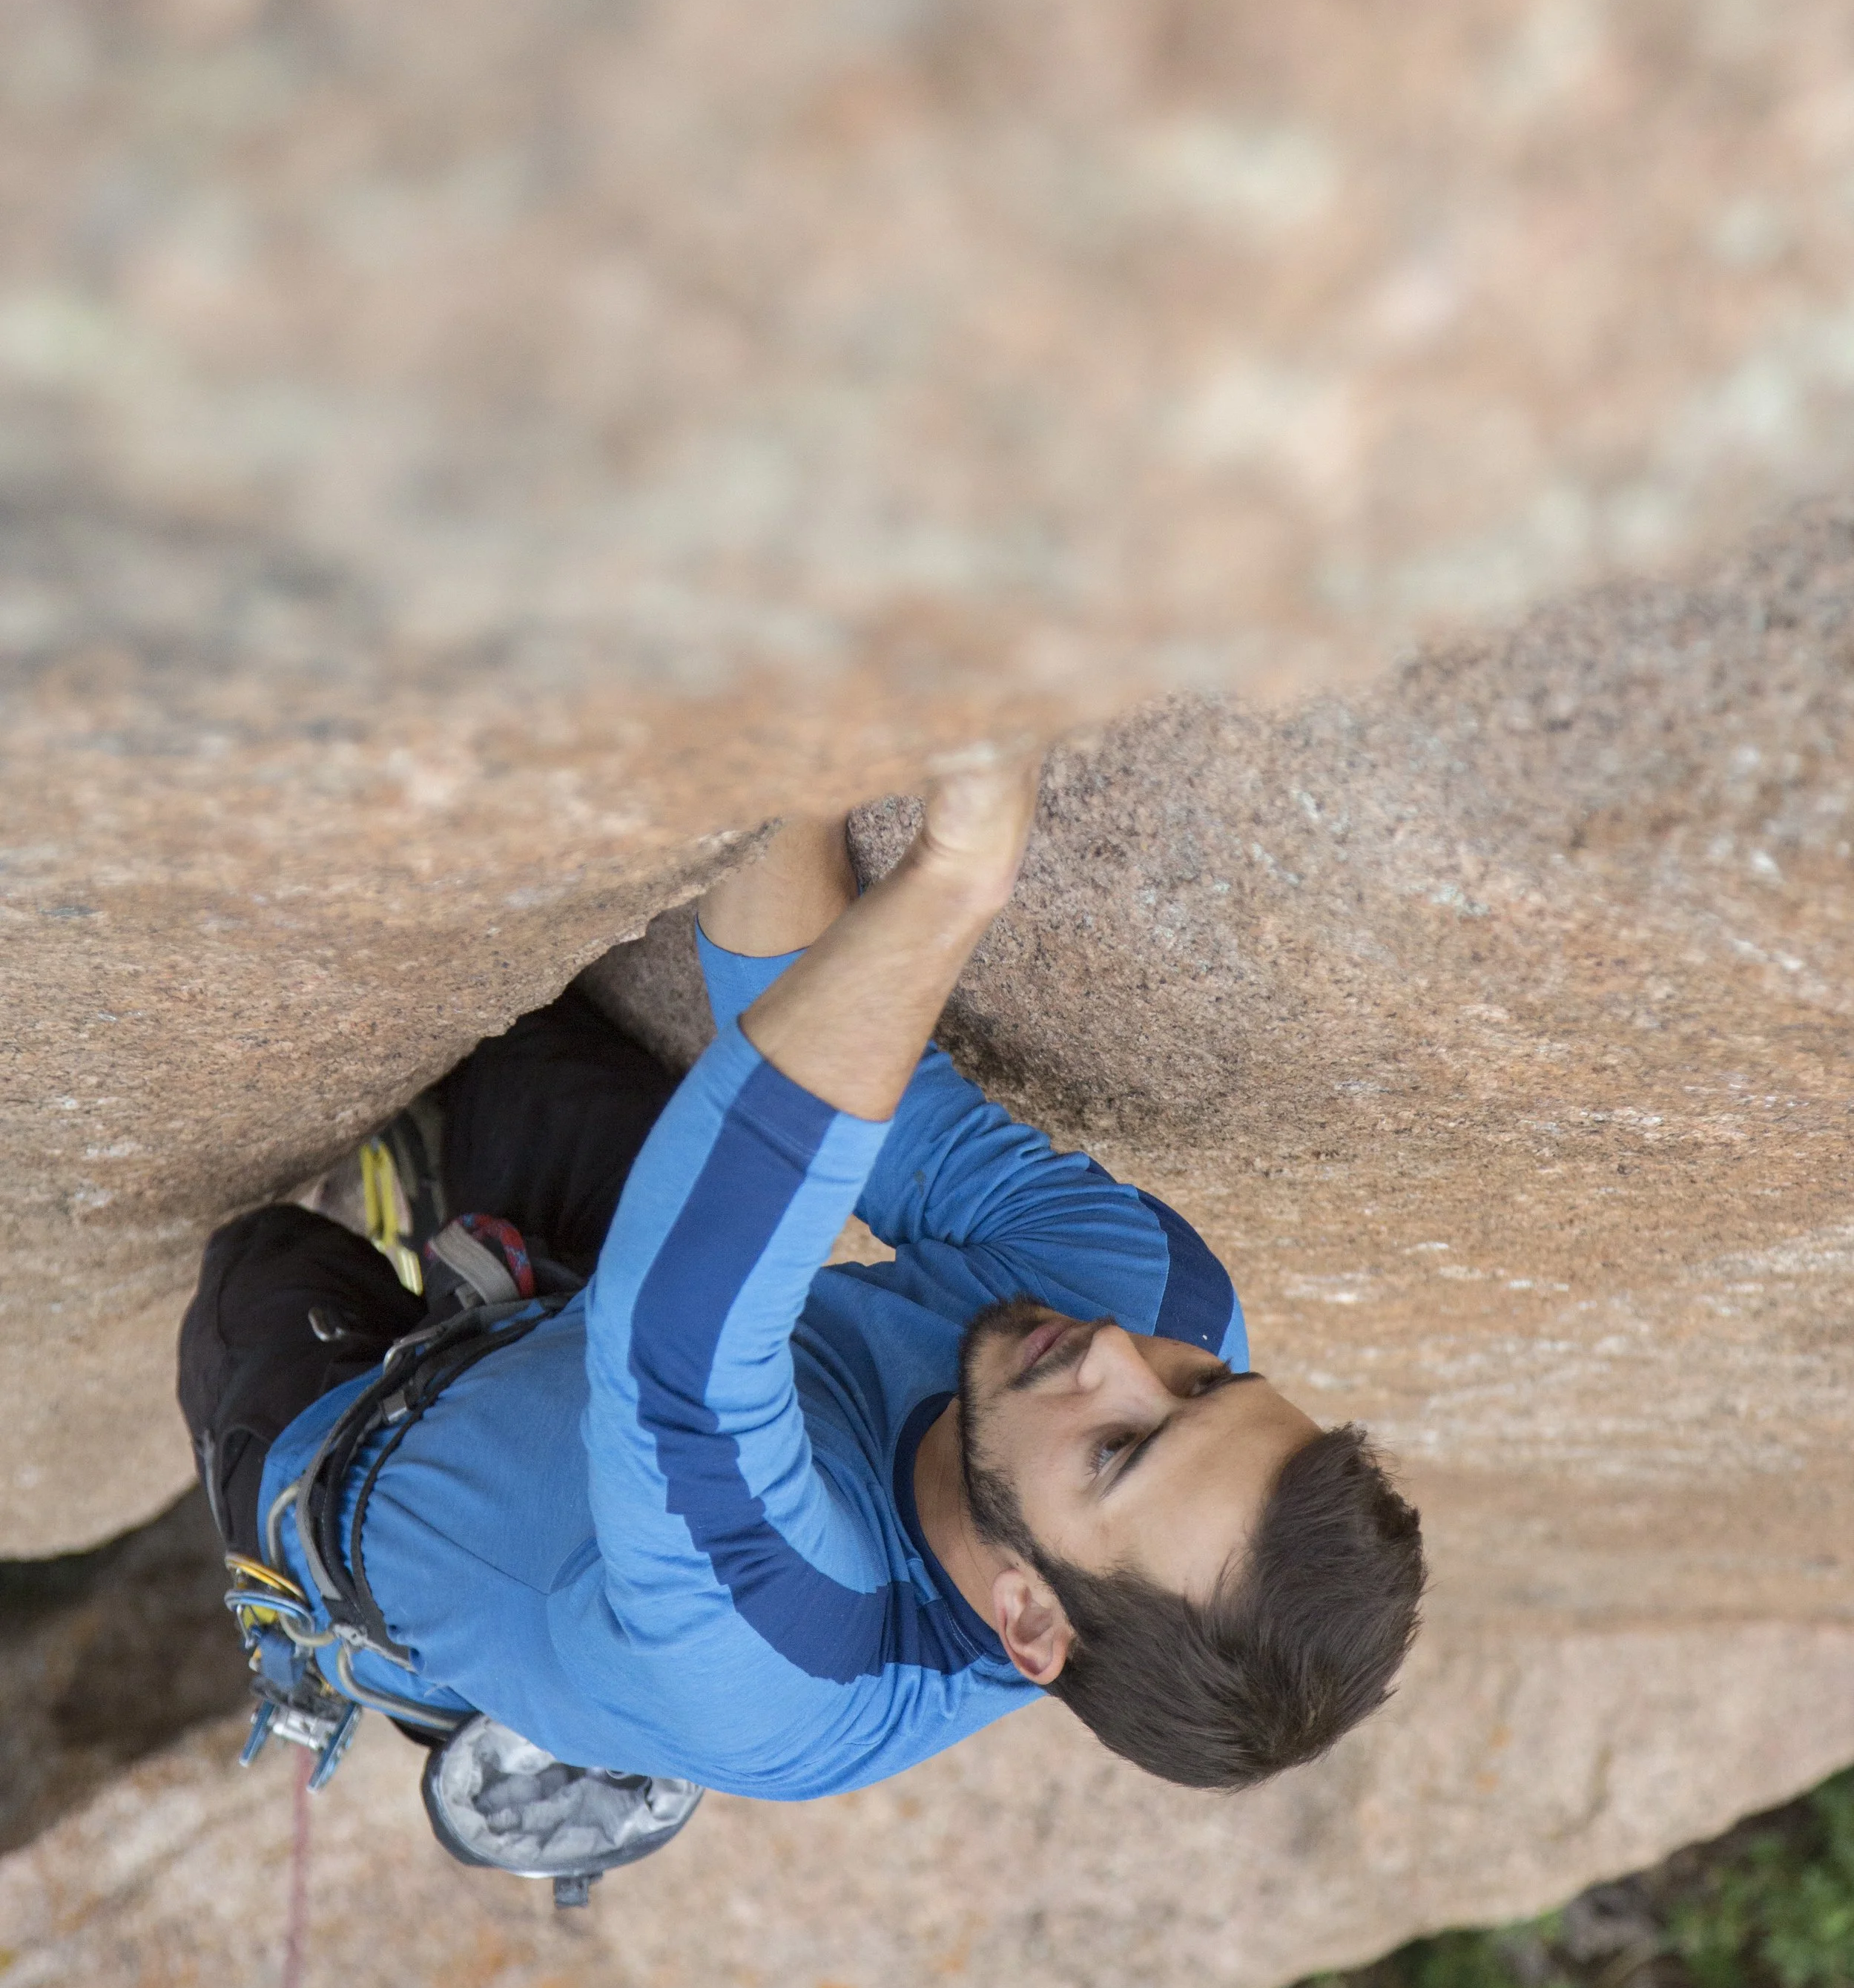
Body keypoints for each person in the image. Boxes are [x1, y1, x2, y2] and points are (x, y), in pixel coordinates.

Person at [180, 754, 1423, 1806]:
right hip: (593, 1332)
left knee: (256, 1254)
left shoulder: (788, 1656)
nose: (1113, 1352)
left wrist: (956, 884)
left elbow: (679, 1349)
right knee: (540, 1064)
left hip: (363, 1473)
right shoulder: (1165, 1303)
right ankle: (472, 1207)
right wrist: (812, 739)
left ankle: (379, 1622)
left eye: (1114, 1451)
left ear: (1028, 1621)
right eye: (1204, 1384)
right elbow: (811, 1014)